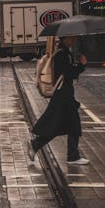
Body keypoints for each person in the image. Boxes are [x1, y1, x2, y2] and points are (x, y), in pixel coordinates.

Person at [28, 36, 90, 165]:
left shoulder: (64, 52)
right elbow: (68, 73)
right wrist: (81, 66)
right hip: (64, 94)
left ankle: (37, 145)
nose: (74, 39)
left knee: (61, 124)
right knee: (70, 124)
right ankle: (72, 156)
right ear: (64, 39)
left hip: (64, 94)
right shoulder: (62, 54)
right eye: (71, 38)